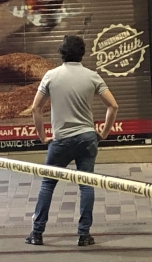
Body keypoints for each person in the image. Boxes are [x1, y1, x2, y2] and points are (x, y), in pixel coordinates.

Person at [25, 35, 118, 246]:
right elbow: (113, 106)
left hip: (62, 140)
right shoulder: (93, 77)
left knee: (48, 184)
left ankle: (37, 233)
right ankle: (84, 234)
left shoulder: (51, 76)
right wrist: (103, 132)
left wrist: (42, 136)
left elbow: (36, 108)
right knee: (86, 184)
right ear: (82, 53)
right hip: (87, 138)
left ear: (61, 52)